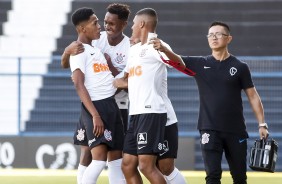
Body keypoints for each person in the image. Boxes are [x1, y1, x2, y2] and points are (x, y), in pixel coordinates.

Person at [179, 21, 269, 184]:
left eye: (218, 34)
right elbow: (175, 59)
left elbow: (253, 96)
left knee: (240, 177)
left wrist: (262, 124)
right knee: (212, 176)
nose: (214, 37)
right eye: (210, 34)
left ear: (229, 38)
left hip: (236, 131)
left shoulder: (240, 67)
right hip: (209, 129)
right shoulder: (199, 63)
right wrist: (161, 47)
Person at [114, 8, 186, 184]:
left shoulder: (157, 45)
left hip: (152, 111)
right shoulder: (134, 50)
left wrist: (166, 51)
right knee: (127, 165)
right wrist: (115, 82)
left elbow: (181, 65)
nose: (131, 27)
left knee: (150, 166)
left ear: (142, 24)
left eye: (133, 24)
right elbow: (125, 79)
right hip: (135, 114)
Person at [61, 4, 130, 184]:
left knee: (116, 161)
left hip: (112, 105)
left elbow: (109, 80)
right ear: (83, 28)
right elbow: (78, 82)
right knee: (97, 160)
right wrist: (95, 115)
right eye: (96, 23)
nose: (100, 26)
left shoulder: (96, 49)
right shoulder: (79, 50)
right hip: (97, 107)